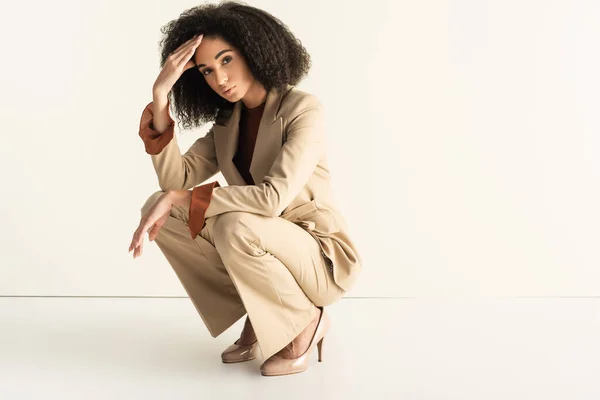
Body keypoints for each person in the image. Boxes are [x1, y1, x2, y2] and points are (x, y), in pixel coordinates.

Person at [128, 1, 362, 377]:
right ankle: (263, 310)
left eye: (226, 60)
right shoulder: (226, 122)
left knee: (233, 225)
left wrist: (186, 197)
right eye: (206, 70)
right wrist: (160, 97)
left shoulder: (303, 109)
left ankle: (305, 322)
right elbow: (174, 183)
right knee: (162, 207)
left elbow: (272, 199)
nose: (219, 78)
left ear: (253, 50)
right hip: (262, 243)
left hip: (318, 255)